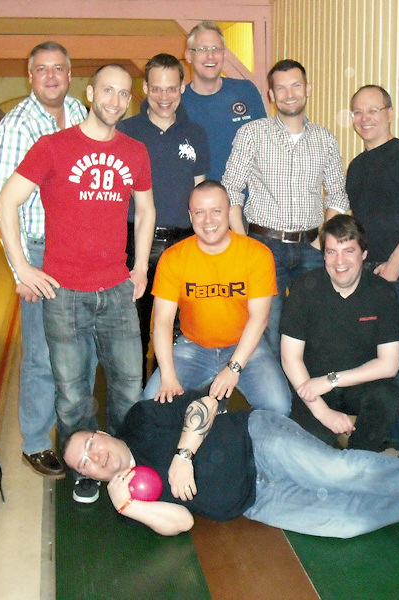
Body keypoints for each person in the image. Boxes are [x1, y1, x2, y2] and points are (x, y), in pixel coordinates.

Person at [0, 64, 156, 503]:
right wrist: (23, 268)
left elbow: (146, 210)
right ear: (89, 93)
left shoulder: (135, 151)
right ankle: (85, 465)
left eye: (123, 94)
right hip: (64, 292)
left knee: (129, 385)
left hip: (116, 289)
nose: (115, 101)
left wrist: (140, 266)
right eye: (107, 91)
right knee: (72, 392)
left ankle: (122, 461)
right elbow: (6, 202)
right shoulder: (53, 146)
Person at [63, 390, 399, 538]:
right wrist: (130, 506)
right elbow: (182, 522)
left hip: (256, 440)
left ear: (102, 432)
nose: (94, 457)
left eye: (90, 444)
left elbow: (206, 404)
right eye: (85, 463)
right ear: (89, 477)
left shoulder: (139, 419)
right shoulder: (125, 500)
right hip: (257, 501)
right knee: (345, 524)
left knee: (336, 472)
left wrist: (183, 455)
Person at [0, 40, 92, 480]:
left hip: (81, 250)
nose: (52, 76)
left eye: (59, 69)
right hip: (40, 252)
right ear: (29, 76)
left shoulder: (82, 114)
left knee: (85, 345)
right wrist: (22, 270)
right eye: (42, 69)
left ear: (70, 74)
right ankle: (35, 440)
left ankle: (78, 434)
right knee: (42, 352)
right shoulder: (16, 126)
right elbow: (4, 204)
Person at [222, 59, 350, 355]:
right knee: (268, 327)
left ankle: (307, 382)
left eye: (296, 86)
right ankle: (276, 385)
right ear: (271, 94)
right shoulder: (252, 134)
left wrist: (322, 240)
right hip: (264, 247)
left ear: (308, 89)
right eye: (281, 88)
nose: (289, 94)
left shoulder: (325, 138)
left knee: (315, 324)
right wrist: (243, 242)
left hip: (312, 248)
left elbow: (337, 195)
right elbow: (230, 189)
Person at [143, 181, 290, 415]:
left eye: (216, 211)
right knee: (151, 402)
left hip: (245, 346)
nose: (208, 220)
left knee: (279, 405)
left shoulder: (257, 254)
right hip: (193, 347)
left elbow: (259, 319)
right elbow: (162, 321)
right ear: (190, 216)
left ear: (229, 212)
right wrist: (168, 376)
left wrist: (234, 368)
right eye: (200, 212)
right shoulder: (173, 258)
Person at [116, 53, 209, 382]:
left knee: (177, 333)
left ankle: (166, 396)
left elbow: (200, 192)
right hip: (134, 242)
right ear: (145, 88)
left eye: (171, 88)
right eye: (156, 88)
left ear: (182, 87)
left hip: (183, 243)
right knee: (134, 332)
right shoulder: (125, 132)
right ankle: (135, 401)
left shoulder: (196, 133)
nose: (164, 96)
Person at [344, 84, 399, 459]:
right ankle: (387, 431)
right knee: (375, 358)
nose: (365, 119)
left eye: (373, 110)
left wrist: (395, 262)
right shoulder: (357, 166)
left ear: (390, 113)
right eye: (358, 112)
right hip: (369, 275)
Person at [279, 215, 399, 452]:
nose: (340, 261)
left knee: (388, 397)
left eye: (348, 251)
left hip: (357, 383)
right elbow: (289, 358)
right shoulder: (304, 288)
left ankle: (360, 455)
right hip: (311, 387)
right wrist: (323, 413)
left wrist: (332, 380)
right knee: (317, 451)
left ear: (364, 254)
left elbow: (389, 364)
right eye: (332, 252)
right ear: (323, 255)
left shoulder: (382, 293)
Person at [181, 21, 267, 181]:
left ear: (224, 54)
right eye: (202, 49)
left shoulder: (246, 91)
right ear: (188, 55)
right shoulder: (178, 103)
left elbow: (265, 147)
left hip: (245, 195)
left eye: (216, 49)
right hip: (199, 195)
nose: (210, 56)